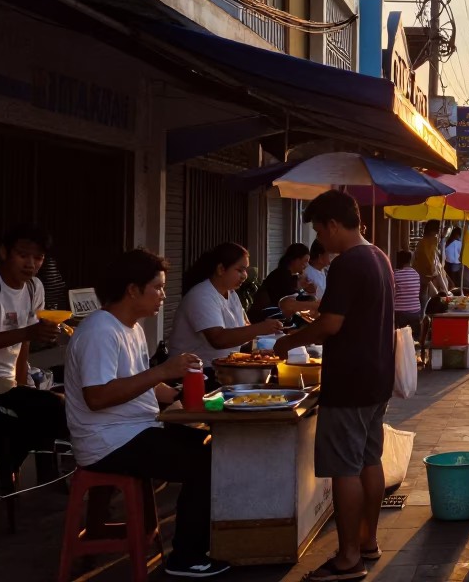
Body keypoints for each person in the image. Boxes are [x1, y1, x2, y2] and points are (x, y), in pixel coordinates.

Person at [65, 249, 228, 577]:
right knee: (204, 463)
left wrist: (189, 394)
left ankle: (200, 545)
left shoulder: (132, 328)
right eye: (157, 287)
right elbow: (97, 397)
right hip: (109, 441)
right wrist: (163, 371)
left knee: (215, 445)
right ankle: (186, 557)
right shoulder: (100, 330)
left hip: (136, 429)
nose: (163, 296)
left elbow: (142, 384)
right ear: (132, 290)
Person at [274, 191, 394, 582]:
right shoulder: (379, 256)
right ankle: (368, 542)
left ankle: (347, 558)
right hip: (378, 377)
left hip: (350, 380)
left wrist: (287, 342)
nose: (320, 241)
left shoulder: (348, 264)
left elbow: (330, 324)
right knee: (368, 460)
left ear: (333, 224)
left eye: (319, 231)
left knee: (345, 469)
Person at [0, 226, 68, 466]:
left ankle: (12, 467)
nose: (31, 263)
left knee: (64, 406)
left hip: (6, 383)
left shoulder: (34, 287)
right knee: (51, 410)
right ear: (4, 252)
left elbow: (23, 343)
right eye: (23, 255)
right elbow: (26, 333)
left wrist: (23, 384)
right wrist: (30, 332)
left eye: (38, 257)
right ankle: (10, 469)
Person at [170, 243, 284, 388]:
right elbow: (219, 339)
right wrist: (260, 328)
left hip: (224, 370)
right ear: (221, 269)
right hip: (198, 374)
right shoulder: (202, 295)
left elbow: (243, 332)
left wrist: (266, 350)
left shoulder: (232, 294)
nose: (245, 276)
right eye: (240, 270)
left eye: (246, 270)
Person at [248, 243, 317, 322]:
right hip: (265, 316)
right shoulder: (281, 275)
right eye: (305, 261)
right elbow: (288, 303)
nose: (306, 265)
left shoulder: (290, 276)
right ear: (295, 259)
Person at [411, 220, 448, 299]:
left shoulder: (430, 243)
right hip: (427, 281)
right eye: (441, 228)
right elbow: (430, 265)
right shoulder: (427, 243)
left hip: (430, 280)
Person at [393, 250, 423, 343]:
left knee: (400, 337)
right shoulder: (416, 274)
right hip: (415, 311)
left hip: (400, 312)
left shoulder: (395, 275)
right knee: (414, 337)